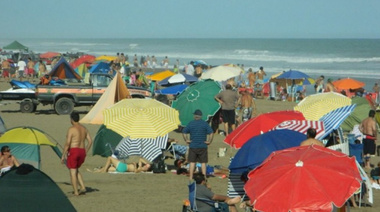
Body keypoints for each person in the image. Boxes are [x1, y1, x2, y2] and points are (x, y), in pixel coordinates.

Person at [61, 111, 93, 196]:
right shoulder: (84, 129)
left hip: (74, 151)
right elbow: (90, 141)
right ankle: (82, 187)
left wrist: (63, 154)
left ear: (71, 119)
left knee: (72, 171)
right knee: (75, 169)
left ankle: (75, 191)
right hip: (82, 151)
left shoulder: (71, 129)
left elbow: (67, 143)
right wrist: (86, 150)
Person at [182, 109, 214, 180]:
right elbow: (211, 132)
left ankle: (190, 177)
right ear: (200, 116)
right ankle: (204, 176)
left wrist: (186, 140)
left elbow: (184, 132)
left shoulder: (191, 123)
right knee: (203, 163)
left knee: (192, 162)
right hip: (203, 146)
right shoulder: (204, 124)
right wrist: (209, 141)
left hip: (193, 146)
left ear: (195, 116)